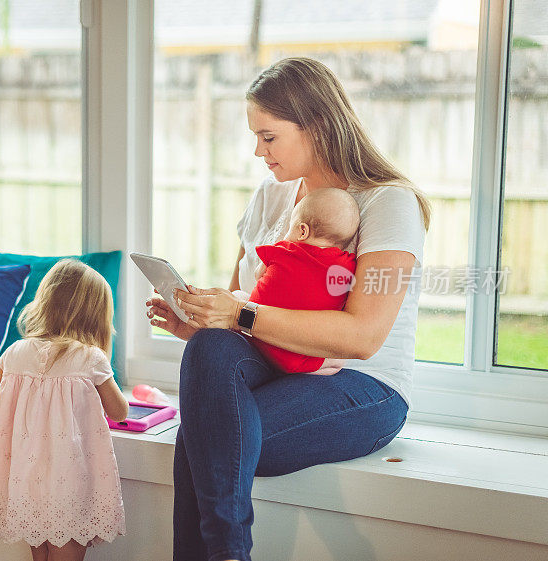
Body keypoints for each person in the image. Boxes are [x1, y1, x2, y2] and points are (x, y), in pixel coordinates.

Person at [146, 57, 429, 561]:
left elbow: (363, 336)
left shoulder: (386, 203)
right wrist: (196, 321)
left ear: (316, 125)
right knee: (211, 357)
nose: (257, 151)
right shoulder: (271, 197)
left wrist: (239, 315)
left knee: (205, 434)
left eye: (269, 136)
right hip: (277, 367)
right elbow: (238, 314)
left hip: (364, 386)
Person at [0, 259, 129, 561]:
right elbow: (119, 412)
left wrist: (22, 421)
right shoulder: (90, 358)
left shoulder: (16, 352)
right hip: (69, 487)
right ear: (95, 317)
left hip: (27, 484)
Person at [232, 187, 360, 376]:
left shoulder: (280, 250)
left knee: (237, 296)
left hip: (258, 340)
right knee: (338, 361)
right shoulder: (348, 266)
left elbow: (259, 275)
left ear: (302, 231)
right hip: (302, 360)